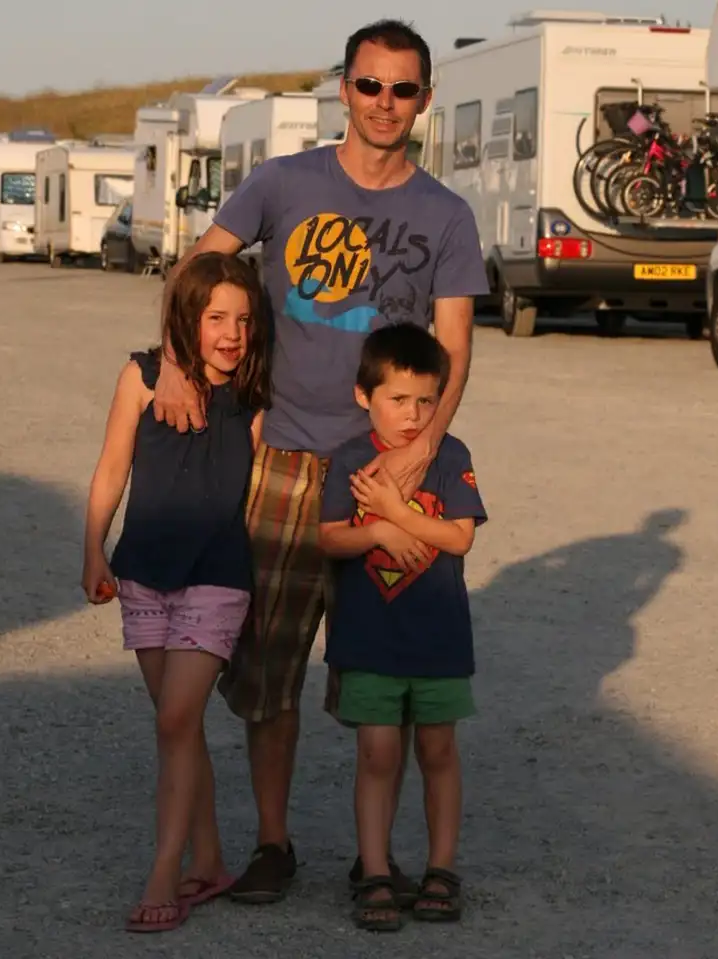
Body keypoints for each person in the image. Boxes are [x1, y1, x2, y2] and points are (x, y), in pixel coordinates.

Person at [151, 18, 489, 905]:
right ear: (344, 88)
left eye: (404, 89)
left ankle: (388, 860)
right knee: (270, 666)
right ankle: (273, 843)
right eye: (370, 85)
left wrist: (416, 456)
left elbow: (454, 346)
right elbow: (196, 270)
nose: (386, 103)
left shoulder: (446, 215)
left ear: (425, 98)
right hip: (290, 464)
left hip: (390, 470)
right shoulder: (281, 182)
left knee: (394, 675)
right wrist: (183, 366)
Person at [80, 252, 271, 933]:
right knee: (179, 724)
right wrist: (93, 546)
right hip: (142, 571)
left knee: (173, 720)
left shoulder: (255, 396)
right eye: (216, 316)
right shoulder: (141, 376)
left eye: (244, 320)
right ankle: (211, 855)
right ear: (185, 319)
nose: (231, 333)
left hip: (218, 575)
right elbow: (111, 467)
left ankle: (165, 868)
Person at [319, 323, 486, 930]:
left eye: (425, 400)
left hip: (440, 638)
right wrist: (379, 531)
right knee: (378, 752)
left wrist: (393, 509)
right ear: (365, 396)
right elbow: (329, 537)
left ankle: (442, 868)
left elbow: (460, 537)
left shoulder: (451, 456)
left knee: (438, 749)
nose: (412, 415)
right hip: (369, 639)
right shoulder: (351, 459)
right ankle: (375, 871)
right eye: (397, 400)